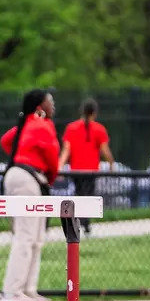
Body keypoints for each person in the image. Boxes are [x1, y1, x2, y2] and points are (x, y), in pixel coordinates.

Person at [0, 90, 59, 301]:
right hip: (29, 179)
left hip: (20, 175)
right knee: (26, 237)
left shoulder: (26, 124)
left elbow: (6, 141)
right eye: (50, 101)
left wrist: (22, 155)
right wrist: (50, 176)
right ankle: (13, 291)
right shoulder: (43, 124)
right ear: (40, 107)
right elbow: (53, 156)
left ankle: (27, 290)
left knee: (36, 238)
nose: (53, 105)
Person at [58, 98, 115, 234]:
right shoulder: (99, 129)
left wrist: (60, 166)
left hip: (76, 170)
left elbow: (66, 150)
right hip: (91, 170)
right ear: (94, 113)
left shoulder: (71, 128)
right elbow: (105, 150)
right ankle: (85, 222)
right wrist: (111, 164)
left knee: (79, 193)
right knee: (88, 195)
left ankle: (80, 220)